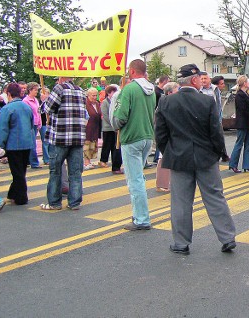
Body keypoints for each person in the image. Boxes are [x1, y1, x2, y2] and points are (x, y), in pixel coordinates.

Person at [155, 63, 236, 255]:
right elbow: (216, 133)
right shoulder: (207, 102)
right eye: (200, 78)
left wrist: (170, 152)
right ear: (194, 79)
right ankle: (227, 238)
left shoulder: (166, 102)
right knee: (215, 197)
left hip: (179, 158)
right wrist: (218, 153)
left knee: (181, 201)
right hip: (205, 157)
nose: (202, 81)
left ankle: (181, 243)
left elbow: (160, 135)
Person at [113, 59, 156, 230]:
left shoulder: (129, 89)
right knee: (139, 177)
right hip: (146, 136)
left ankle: (141, 218)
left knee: (134, 180)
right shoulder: (151, 90)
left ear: (131, 71)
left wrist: (114, 122)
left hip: (131, 137)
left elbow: (120, 118)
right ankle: (139, 213)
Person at [40, 76, 87, 210]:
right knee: (75, 172)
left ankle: (54, 203)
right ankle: (74, 202)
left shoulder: (59, 89)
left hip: (60, 137)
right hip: (77, 137)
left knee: (55, 171)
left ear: (61, 77)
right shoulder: (81, 90)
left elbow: (48, 109)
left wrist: (44, 100)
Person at [0, 83, 36, 205]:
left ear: (9, 94)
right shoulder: (26, 107)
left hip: (13, 144)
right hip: (27, 142)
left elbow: (3, 129)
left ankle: (21, 197)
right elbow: (31, 124)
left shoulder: (7, 109)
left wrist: (1, 145)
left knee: (17, 172)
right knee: (21, 170)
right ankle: (12, 193)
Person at [229, 75, 249, 173]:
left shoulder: (245, 94)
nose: (248, 83)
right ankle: (233, 164)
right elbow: (244, 110)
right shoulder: (240, 95)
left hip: (247, 122)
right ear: (244, 83)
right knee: (239, 144)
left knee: (248, 144)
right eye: (247, 82)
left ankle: (247, 165)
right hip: (243, 123)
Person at [99, 85, 123, 174]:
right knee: (107, 145)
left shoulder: (115, 101)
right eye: (113, 92)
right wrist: (113, 124)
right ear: (109, 93)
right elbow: (106, 116)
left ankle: (115, 163)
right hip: (108, 128)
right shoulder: (105, 102)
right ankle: (103, 160)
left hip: (114, 129)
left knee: (115, 146)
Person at [22, 82, 42, 169]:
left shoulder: (35, 100)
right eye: (35, 90)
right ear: (30, 90)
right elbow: (27, 114)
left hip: (36, 123)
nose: (36, 92)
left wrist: (40, 121)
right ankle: (34, 162)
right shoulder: (25, 101)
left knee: (33, 143)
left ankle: (31, 161)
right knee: (32, 143)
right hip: (31, 124)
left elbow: (38, 112)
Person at [84, 87, 102, 170]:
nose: (94, 97)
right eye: (93, 96)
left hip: (95, 127)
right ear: (88, 95)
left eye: (96, 95)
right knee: (87, 144)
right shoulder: (85, 104)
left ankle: (89, 161)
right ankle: (86, 162)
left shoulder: (97, 104)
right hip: (88, 127)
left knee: (93, 144)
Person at [39, 86, 51, 165]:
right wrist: (43, 102)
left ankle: (50, 156)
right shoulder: (40, 103)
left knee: (50, 142)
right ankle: (46, 158)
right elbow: (41, 111)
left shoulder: (50, 102)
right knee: (45, 141)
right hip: (43, 123)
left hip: (50, 123)